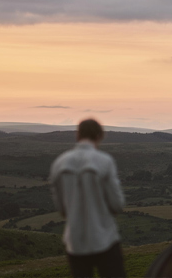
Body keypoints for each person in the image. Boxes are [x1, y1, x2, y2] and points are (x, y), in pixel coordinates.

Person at [49, 119, 126, 278]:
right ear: (99, 135)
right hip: (105, 239)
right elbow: (117, 204)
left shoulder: (59, 163)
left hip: (75, 243)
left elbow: (62, 209)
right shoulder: (104, 161)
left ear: (78, 135)